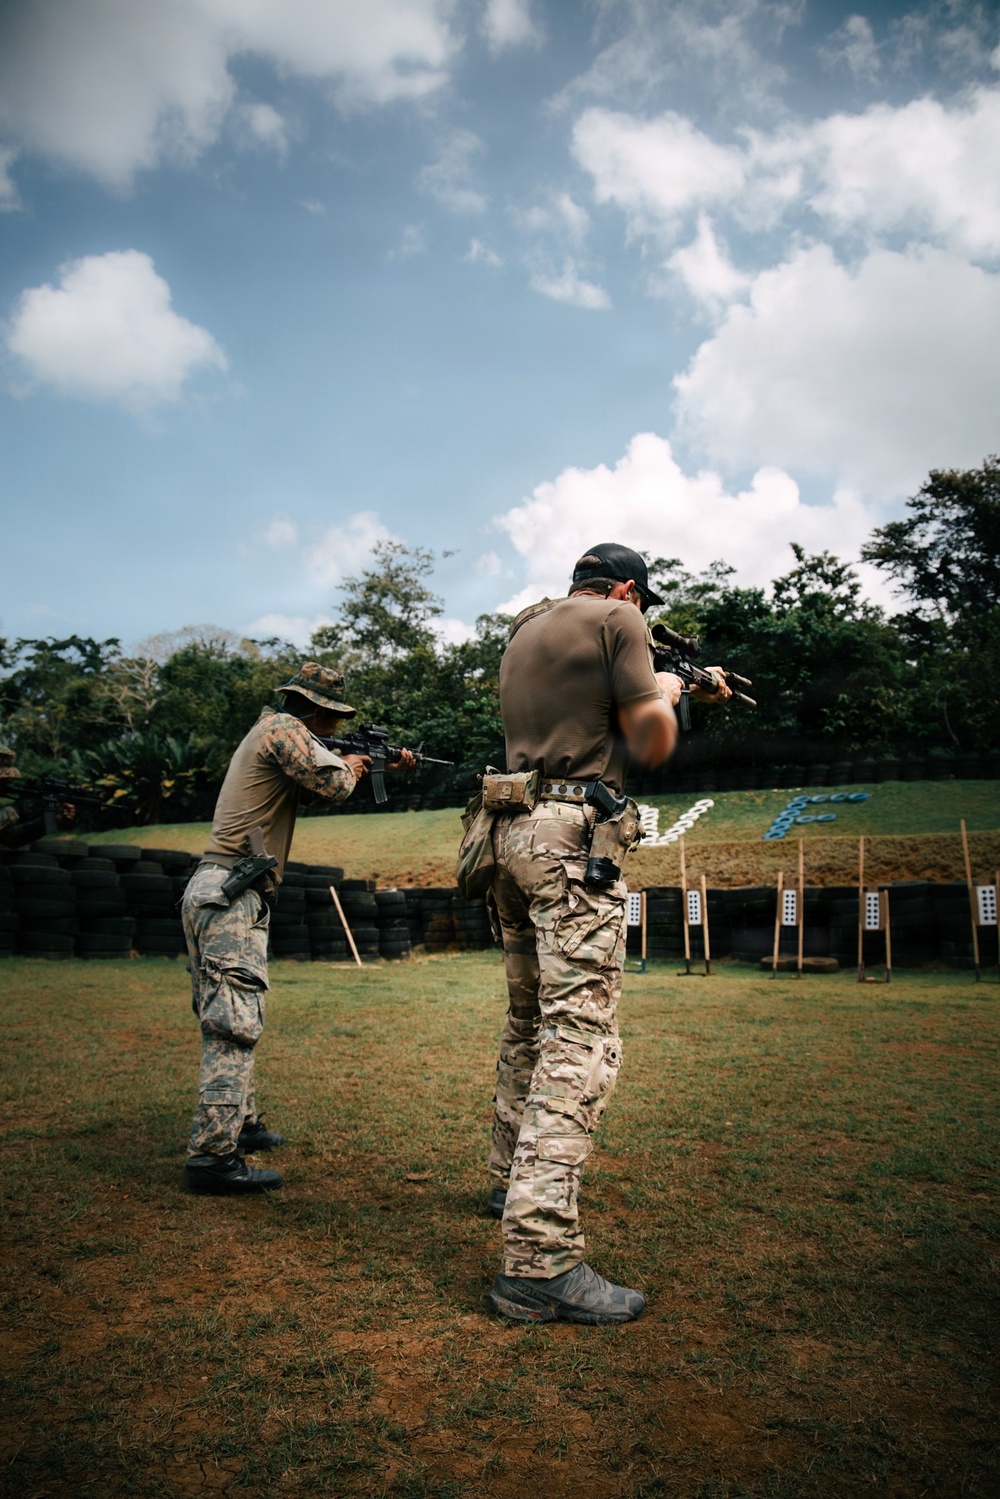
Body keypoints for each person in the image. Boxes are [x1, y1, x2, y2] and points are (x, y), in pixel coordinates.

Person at [484, 543, 730, 1324]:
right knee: (578, 1039)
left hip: (506, 832)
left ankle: (508, 1179)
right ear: (627, 589)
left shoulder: (525, 630)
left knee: (529, 1024)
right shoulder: (621, 620)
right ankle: (538, 1258)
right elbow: (650, 742)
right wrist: (674, 687)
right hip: (569, 840)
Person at [182, 661, 413, 1196]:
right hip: (231, 892)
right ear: (313, 710)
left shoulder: (272, 731)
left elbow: (309, 792)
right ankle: (212, 1157)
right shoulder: (284, 729)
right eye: (332, 719)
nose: (334, 728)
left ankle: (242, 1123)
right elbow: (330, 784)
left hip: (223, 889)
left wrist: (373, 763)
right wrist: (352, 765)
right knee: (234, 1024)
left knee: (233, 1016)